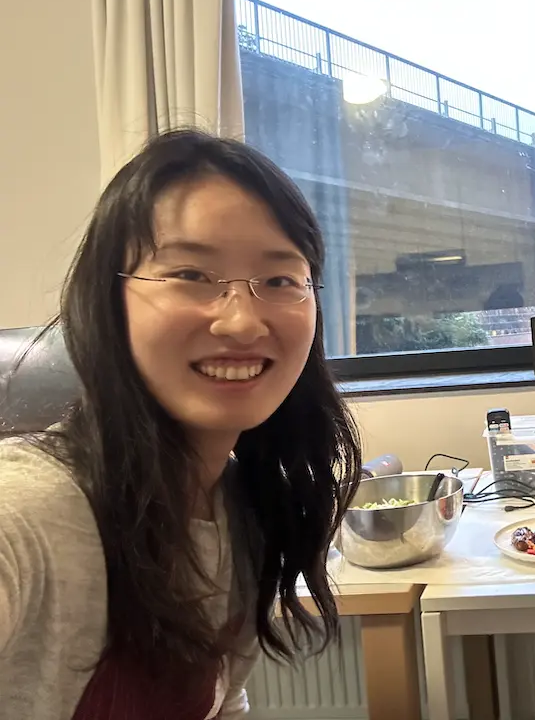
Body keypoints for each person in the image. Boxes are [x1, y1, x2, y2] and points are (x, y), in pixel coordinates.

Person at [0, 129, 363, 719]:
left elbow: (220, 703)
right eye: (191, 275)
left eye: (279, 280)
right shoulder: (27, 513)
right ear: (107, 300)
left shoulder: (247, 511)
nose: (242, 322)